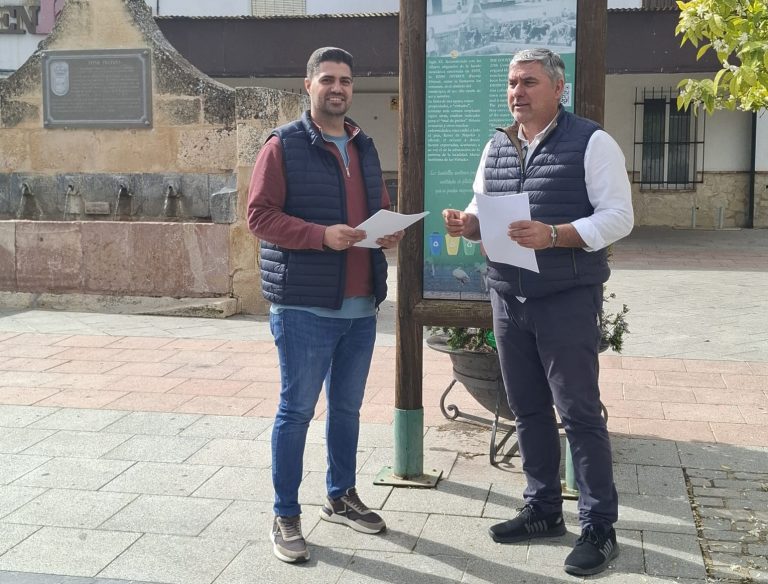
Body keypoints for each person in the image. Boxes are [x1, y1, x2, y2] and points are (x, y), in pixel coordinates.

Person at [442, 48, 633, 576]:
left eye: (528, 82)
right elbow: (484, 205)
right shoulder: (497, 145)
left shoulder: (592, 142)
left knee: (579, 414)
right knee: (526, 409)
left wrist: (556, 235)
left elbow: (619, 217)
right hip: (508, 296)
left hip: (566, 299)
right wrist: (469, 223)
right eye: (511, 83)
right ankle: (543, 509)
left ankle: (599, 526)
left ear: (558, 88)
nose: (516, 92)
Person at [247, 46, 403, 564]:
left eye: (346, 81)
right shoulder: (283, 145)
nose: (338, 88)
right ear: (308, 84)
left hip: (361, 305)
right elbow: (260, 217)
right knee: (296, 411)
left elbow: (376, 206)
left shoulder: (363, 144)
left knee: (347, 410)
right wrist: (320, 236)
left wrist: (386, 233)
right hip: (304, 308)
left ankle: (340, 495)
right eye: (328, 80)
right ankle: (285, 514)